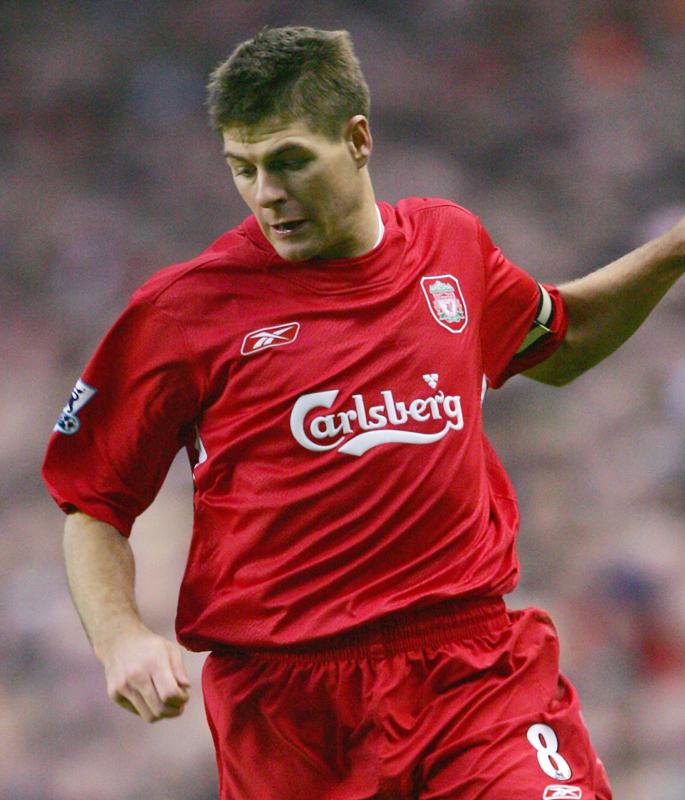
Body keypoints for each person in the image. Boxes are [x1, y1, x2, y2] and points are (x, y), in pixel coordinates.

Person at [42, 26, 684, 800]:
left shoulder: (449, 245)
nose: (265, 192)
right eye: (243, 168)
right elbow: (93, 502)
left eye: (288, 161)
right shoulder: (184, 310)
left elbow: (562, 340)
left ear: (356, 139)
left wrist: (674, 250)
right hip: (290, 715)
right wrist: (119, 638)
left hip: (469, 674)